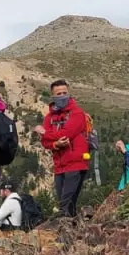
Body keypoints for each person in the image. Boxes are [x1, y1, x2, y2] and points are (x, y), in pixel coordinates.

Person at [34, 80, 90, 218]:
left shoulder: (77, 113)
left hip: (76, 163)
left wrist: (44, 133)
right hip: (59, 166)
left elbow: (66, 133)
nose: (63, 96)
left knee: (65, 204)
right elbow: (45, 143)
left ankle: (64, 233)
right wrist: (55, 145)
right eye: (59, 94)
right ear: (53, 96)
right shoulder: (49, 118)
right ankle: (74, 233)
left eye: (65, 93)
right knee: (67, 204)